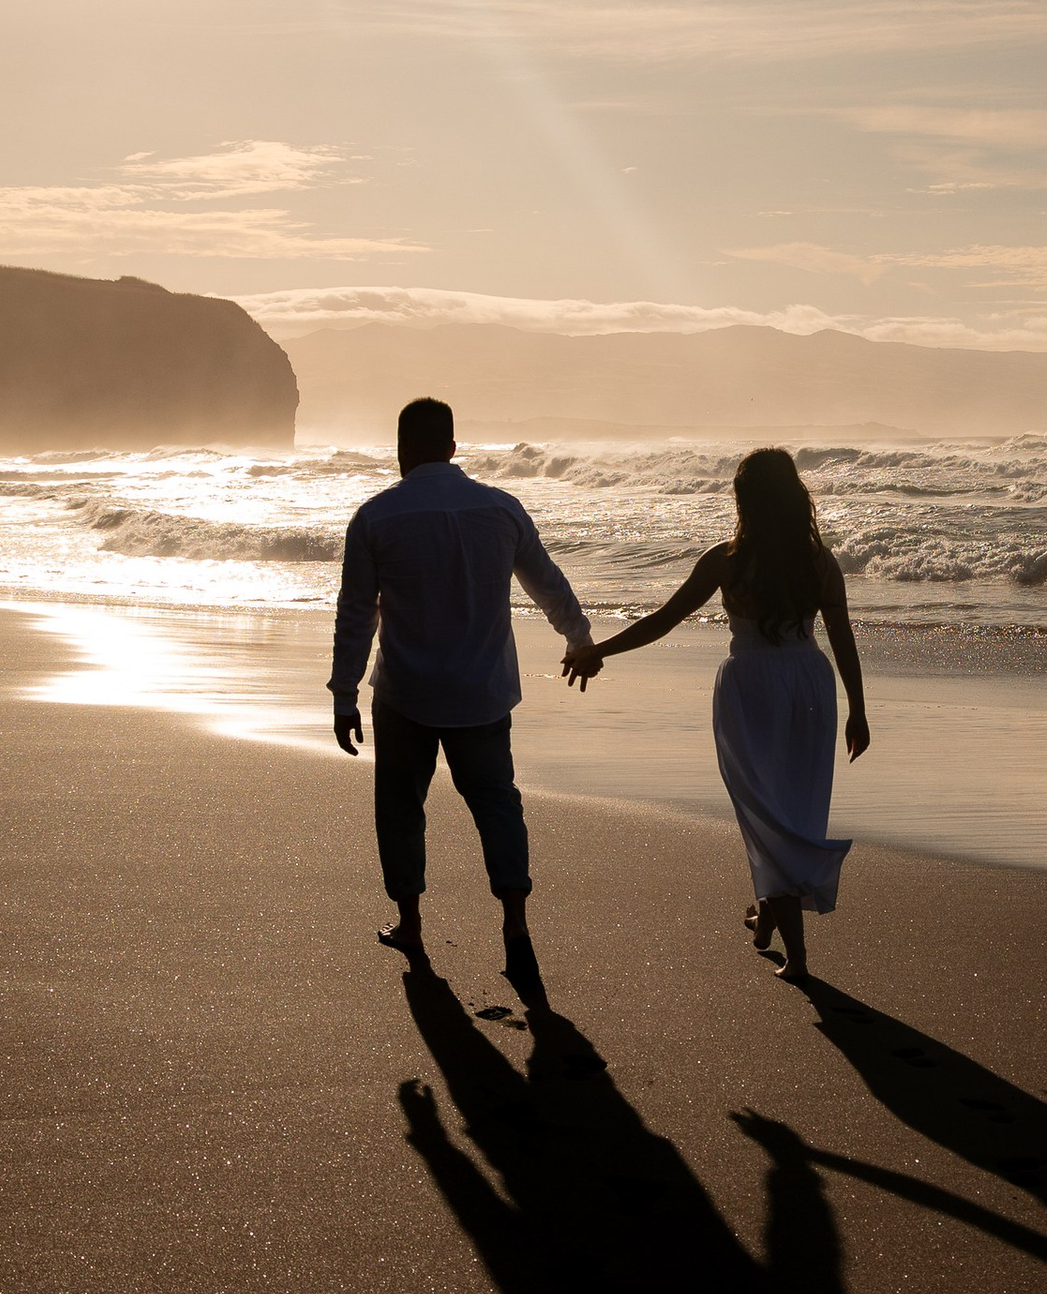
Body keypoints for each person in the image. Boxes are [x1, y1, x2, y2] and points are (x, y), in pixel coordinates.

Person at [330, 397, 600, 995]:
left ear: (401, 450)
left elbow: (356, 617)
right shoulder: (500, 509)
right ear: (454, 448)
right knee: (498, 806)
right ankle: (515, 926)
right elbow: (548, 583)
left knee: (401, 809)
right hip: (482, 692)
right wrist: (579, 639)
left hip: (405, 692)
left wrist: (343, 694)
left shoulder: (376, 516)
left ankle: (411, 925)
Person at [569, 445, 869, 978]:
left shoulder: (728, 560)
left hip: (751, 684)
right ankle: (770, 912)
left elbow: (663, 620)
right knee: (793, 808)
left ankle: (797, 958)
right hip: (809, 684)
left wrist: (599, 651)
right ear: (795, 495)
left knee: (765, 810)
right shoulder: (819, 561)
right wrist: (858, 711)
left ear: (744, 498)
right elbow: (842, 639)